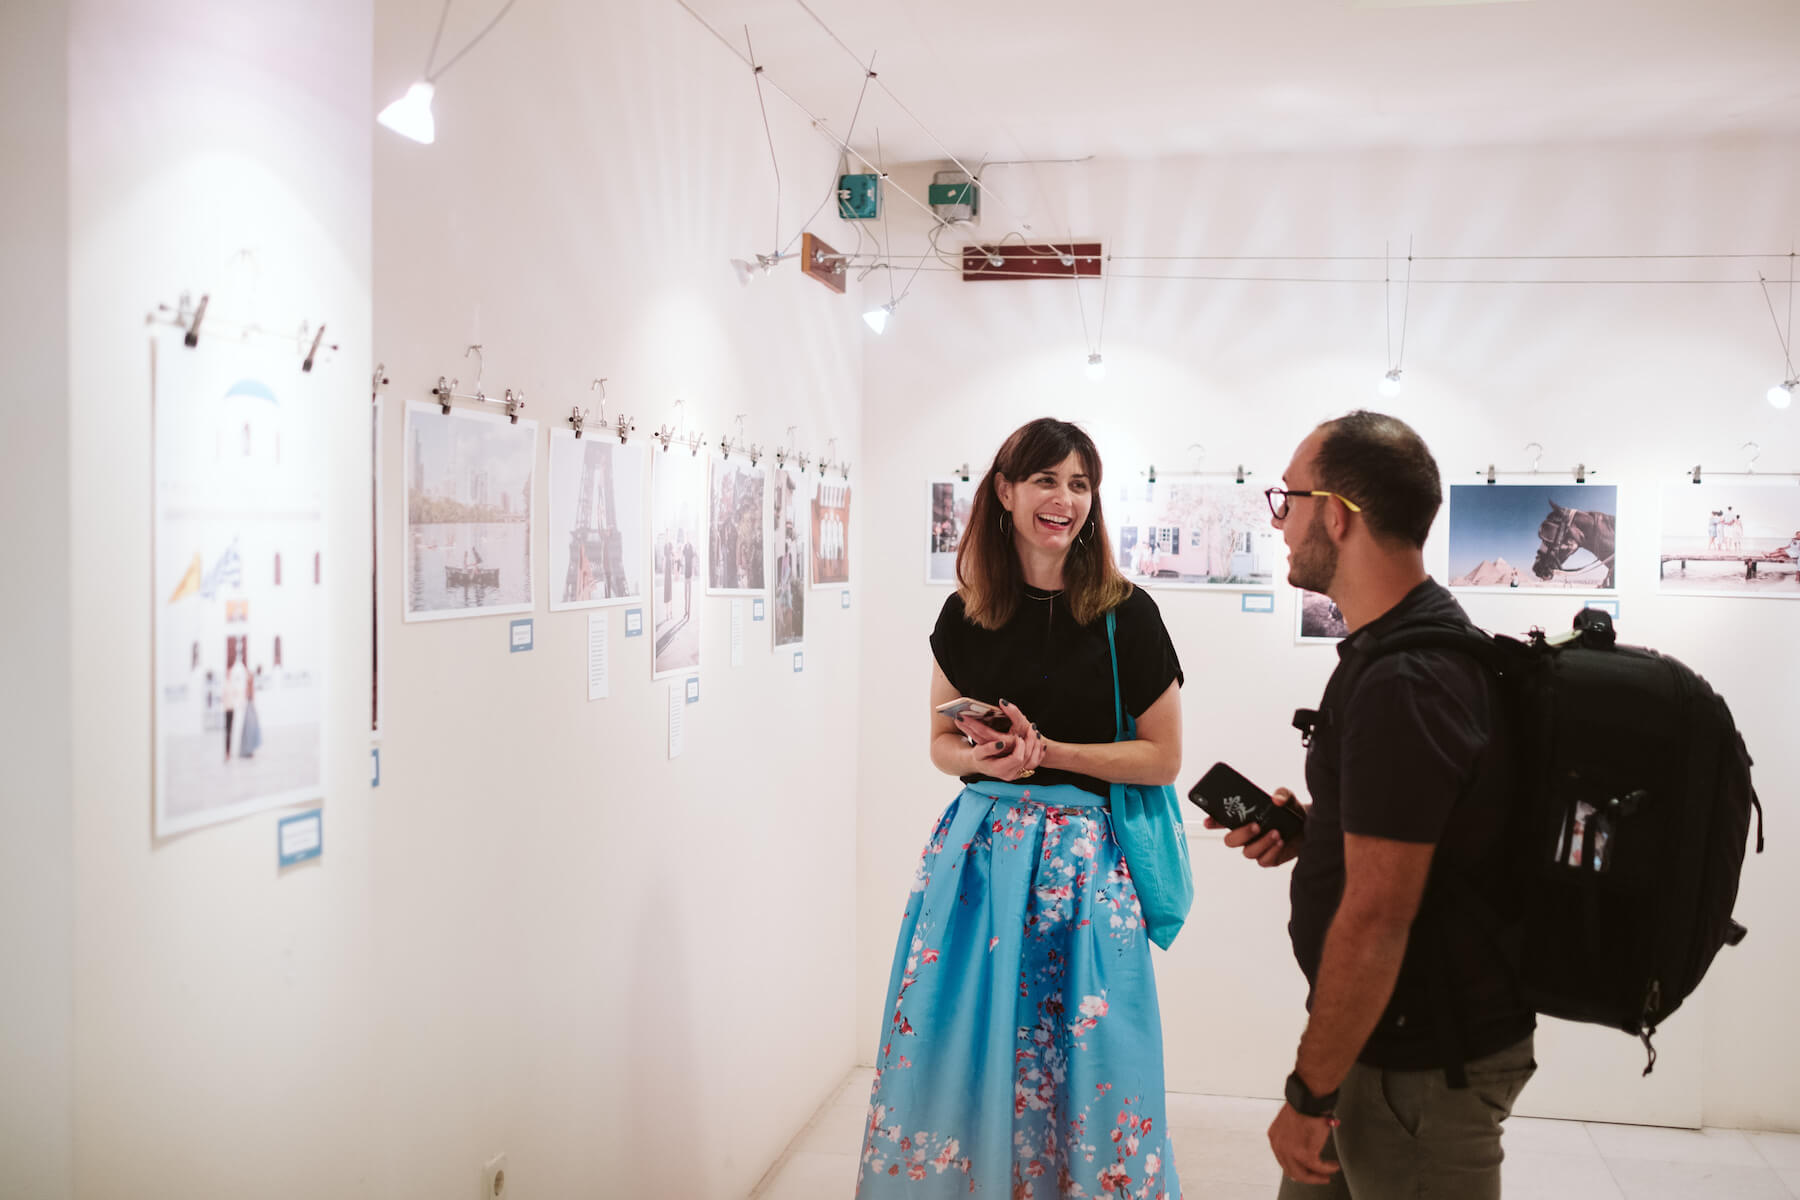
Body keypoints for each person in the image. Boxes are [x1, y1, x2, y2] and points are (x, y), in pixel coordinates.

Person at [857, 418, 1185, 1198]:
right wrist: (984, 756)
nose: (1064, 500)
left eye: (1079, 484)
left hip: (1084, 867)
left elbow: (1162, 757)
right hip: (976, 865)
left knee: (1093, 1057)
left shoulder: (1125, 614)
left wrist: (1050, 755)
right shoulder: (966, 611)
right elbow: (940, 744)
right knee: (961, 1046)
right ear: (1004, 492)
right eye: (1046, 480)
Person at [1210, 411, 1532, 1199]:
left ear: (1339, 513)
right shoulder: (1400, 650)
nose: (1279, 523)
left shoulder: (1406, 679)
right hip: (1379, 1047)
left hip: (1419, 1065)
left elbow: (1380, 912)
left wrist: (1307, 1094)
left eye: (1287, 500)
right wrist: (1316, 836)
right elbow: (1429, 844)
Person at [222, 645, 248, 763]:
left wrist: (241, 701)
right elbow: (223, 697)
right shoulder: (225, 685)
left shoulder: (232, 684)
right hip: (226, 709)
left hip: (231, 709)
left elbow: (238, 693)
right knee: (227, 731)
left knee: (231, 731)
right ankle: (227, 752)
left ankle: (230, 751)